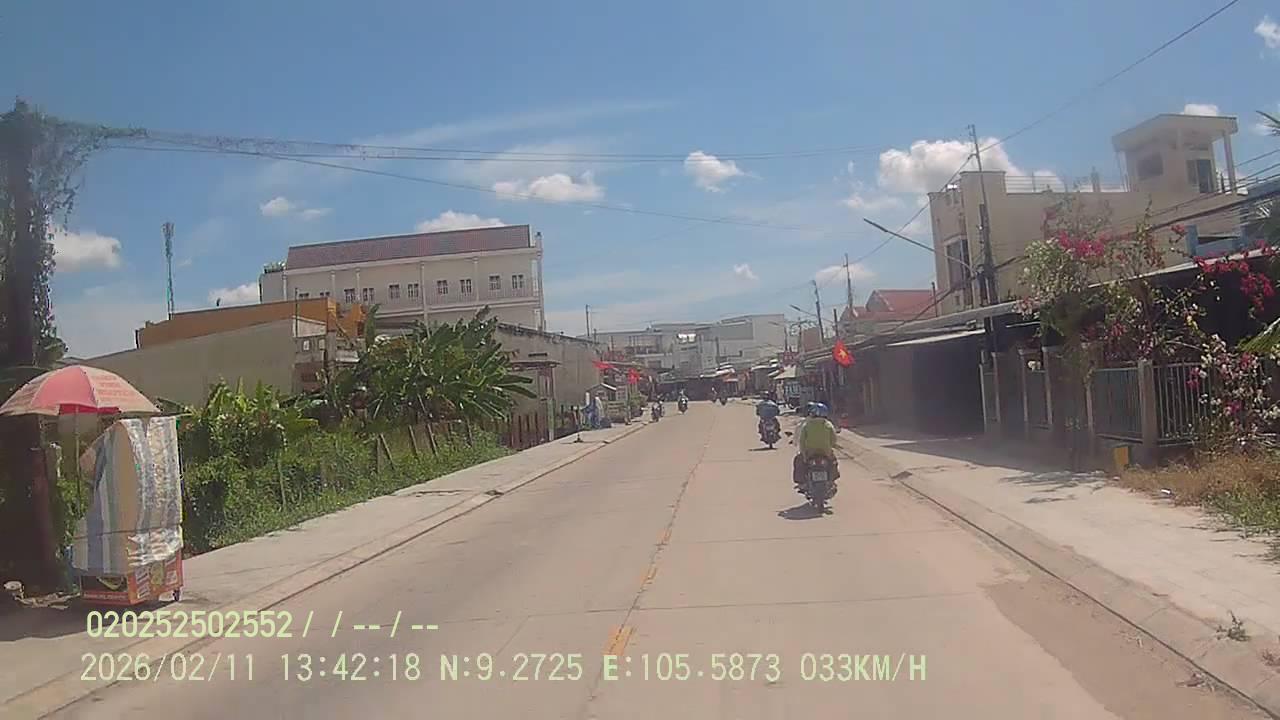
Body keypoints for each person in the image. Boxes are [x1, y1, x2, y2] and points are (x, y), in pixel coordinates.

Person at [793, 402, 840, 491]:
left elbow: (802, 441)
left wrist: (803, 454)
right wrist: (830, 447)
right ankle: (831, 481)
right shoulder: (828, 425)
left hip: (810, 453)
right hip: (826, 453)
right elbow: (834, 440)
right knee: (833, 463)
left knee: (798, 462)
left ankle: (802, 483)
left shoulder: (807, 425)